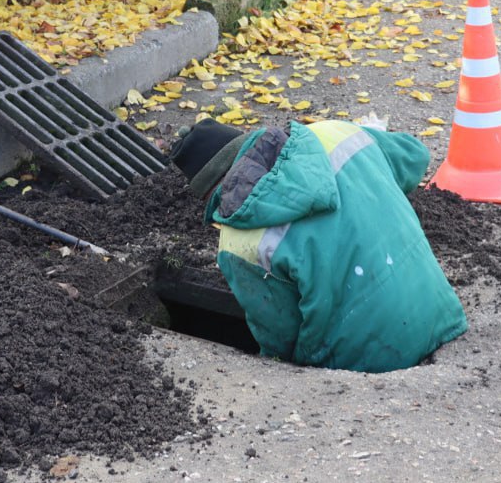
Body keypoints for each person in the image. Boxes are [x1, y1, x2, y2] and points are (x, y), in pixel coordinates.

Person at [169, 116, 468, 372]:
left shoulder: (236, 244)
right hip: (438, 314)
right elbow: (414, 157)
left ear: (211, 195)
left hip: (369, 362)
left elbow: (278, 341)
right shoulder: (334, 133)